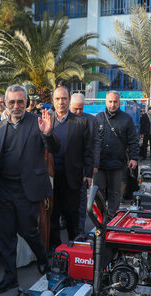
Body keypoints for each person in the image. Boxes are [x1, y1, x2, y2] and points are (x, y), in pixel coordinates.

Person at [0, 84, 59, 294]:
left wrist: (47, 134)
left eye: (21, 101)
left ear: (27, 102)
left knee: (28, 231)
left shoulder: (37, 122)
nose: (16, 105)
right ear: (5, 103)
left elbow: (55, 148)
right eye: (12, 102)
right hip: (4, 189)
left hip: (26, 188)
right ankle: (10, 276)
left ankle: (42, 258)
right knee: (7, 234)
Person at [48, 86, 92, 251]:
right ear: (53, 100)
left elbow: (88, 149)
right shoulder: (46, 120)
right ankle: (55, 247)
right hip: (51, 177)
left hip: (73, 176)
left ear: (69, 100)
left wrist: (88, 173)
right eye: (58, 99)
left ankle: (74, 246)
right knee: (53, 213)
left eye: (64, 98)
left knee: (72, 214)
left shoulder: (80, 122)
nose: (61, 102)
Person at [95, 90, 139, 216]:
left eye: (115, 102)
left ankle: (112, 217)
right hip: (100, 163)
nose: (112, 105)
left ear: (119, 102)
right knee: (99, 191)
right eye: (110, 102)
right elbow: (91, 141)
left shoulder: (127, 119)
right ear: (105, 101)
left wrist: (134, 158)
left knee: (115, 192)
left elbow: (133, 140)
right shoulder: (98, 118)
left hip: (118, 163)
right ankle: (101, 217)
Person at [70, 93, 100, 232]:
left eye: (81, 109)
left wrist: (94, 165)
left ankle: (80, 229)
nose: (78, 112)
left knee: (82, 201)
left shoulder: (91, 120)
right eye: (75, 109)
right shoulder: (64, 119)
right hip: (67, 166)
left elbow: (95, 143)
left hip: (83, 166)